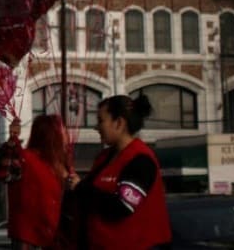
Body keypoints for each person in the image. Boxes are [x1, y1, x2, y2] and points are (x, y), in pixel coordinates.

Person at [68, 95, 171, 250]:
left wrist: (81, 188)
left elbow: (122, 207)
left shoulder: (141, 160)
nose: (96, 127)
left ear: (119, 123)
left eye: (101, 120)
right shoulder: (104, 157)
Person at [0, 115, 70, 249]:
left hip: (52, 236)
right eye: (62, 131)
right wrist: (12, 141)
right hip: (29, 237)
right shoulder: (26, 159)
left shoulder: (58, 164)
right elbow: (4, 173)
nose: (66, 136)